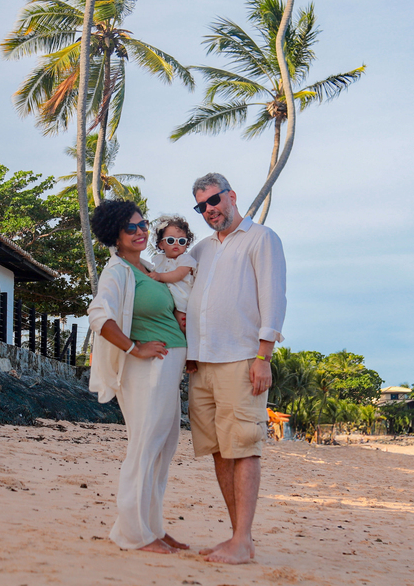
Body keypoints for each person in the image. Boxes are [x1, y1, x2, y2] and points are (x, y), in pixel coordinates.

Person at [184, 173, 287, 564]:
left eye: (214, 201)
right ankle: (236, 538)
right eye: (201, 206)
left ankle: (242, 540)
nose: (209, 210)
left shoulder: (262, 238)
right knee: (218, 451)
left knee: (243, 447)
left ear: (231, 196)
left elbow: (273, 297)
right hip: (201, 363)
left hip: (242, 360)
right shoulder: (200, 250)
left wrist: (264, 357)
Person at [85, 199, 190, 555]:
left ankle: (152, 527)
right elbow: (99, 315)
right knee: (144, 447)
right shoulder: (117, 271)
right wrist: (134, 348)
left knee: (162, 449)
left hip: (169, 368)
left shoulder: (145, 267)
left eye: (143, 224)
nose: (141, 231)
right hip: (148, 369)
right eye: (132, 227)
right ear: (115, 234)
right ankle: (132, 533)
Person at [146, 214, 198, 334]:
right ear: (161, 244)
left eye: (181, 241)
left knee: (183, 327)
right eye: (170, 240)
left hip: (183, 303)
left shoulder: (185, 259)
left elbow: (178, 274)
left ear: (187, 244)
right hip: (167, 302)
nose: (176, 244)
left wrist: (159, 277)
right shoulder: (159, 261)